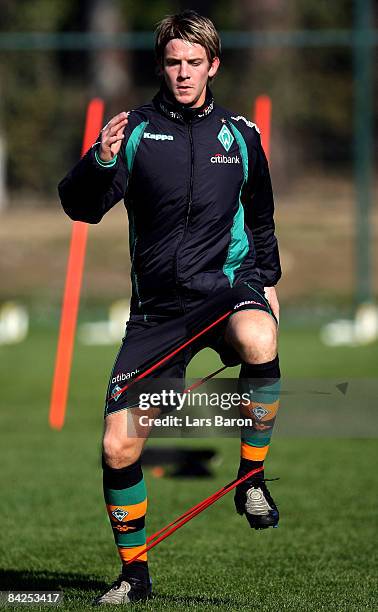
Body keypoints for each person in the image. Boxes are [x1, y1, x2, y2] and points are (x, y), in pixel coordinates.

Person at [59, 10, 281, 605]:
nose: (182, 73)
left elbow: (260, 217)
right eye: (172, 62)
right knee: (117, 447)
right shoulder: (133, 131)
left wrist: (270, 284)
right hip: (157, 314)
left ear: (213, 65)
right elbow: (80, 207)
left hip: (225, 290)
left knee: (261, 340)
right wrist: (98, 161)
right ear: (162, 65)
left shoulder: (240, 135)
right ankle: (135, 578)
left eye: (194, 63)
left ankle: (251, 478)